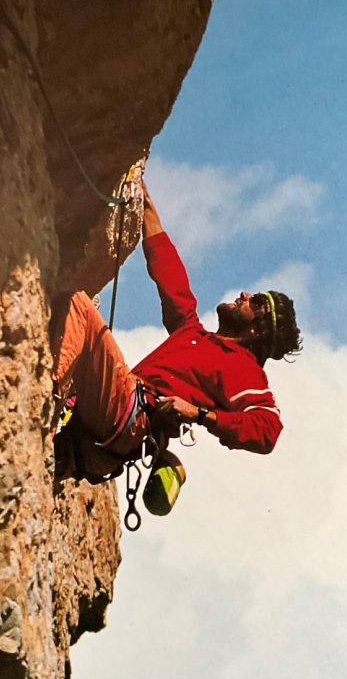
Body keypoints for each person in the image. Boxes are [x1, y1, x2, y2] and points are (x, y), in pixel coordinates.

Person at [50, 183, 302, 471]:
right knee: (74, 315)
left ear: (257, 330)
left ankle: (47, 396)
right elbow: (171, 277)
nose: (245, 295)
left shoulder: (245, 371)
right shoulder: (195, 335)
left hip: (131, 414)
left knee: (80, 305)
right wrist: (144, 202)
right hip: (119, 422)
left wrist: (199, 414)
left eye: (255, 301)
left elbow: (267, 429)